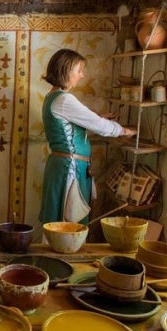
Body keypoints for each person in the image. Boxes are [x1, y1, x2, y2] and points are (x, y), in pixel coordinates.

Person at [39, 48, 137, 225]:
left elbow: (74, 122)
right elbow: (100, 127)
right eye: (79, 70)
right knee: (67, 224)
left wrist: (98, 117)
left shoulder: (51, 97)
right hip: (69, 169)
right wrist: (124, 130)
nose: (82, 75)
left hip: (61, 165)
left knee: (59, 223)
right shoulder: (64, 100)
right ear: (65, 71)